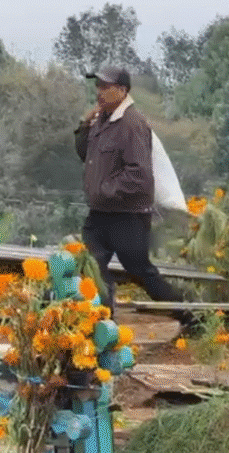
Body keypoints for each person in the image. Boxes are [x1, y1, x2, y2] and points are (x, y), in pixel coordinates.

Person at [74, 66, 193, 327]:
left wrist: (105, 189)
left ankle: (190, 315)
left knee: (140, 272)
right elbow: (86, 154)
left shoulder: (133, 124)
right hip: (100, 215)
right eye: (98, 87)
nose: (99, 92)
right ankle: (102, 324)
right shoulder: (101, 120)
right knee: (93, 267)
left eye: (105, 87)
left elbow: (139, 176)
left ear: (122, 91)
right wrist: (84, 125)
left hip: (127, 217)